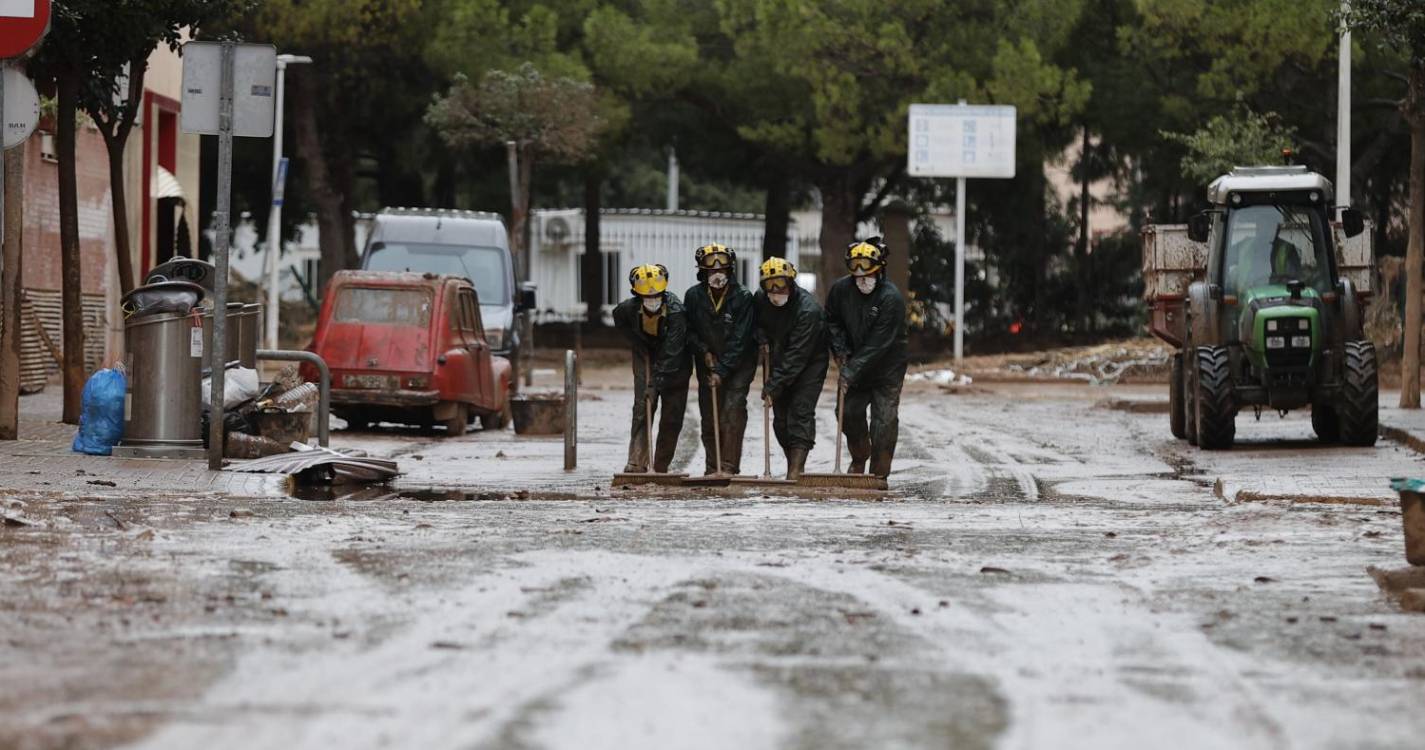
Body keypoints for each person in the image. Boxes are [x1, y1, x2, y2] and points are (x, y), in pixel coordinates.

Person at [825, 238, 909, 479]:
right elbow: (832, 321)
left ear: (879, 269)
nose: (862, 277)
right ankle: (860, 455)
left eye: (868, 270)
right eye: (856, 270)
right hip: (853, 363)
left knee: (884, 422)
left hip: (886, 368)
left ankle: (879, 474)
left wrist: (850, 371)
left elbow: (877, 345)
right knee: (848, 412)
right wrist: (840, 351)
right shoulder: (840, 290)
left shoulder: (890, 298)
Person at [684, 243, 757, 475]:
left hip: (739, 364)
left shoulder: (743, 297)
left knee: (732, 410)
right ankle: (712, 467)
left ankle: (728, 467)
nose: (717, 275)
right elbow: (690, 331)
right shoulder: (693, 296)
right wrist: (704, 351)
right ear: (702, 272)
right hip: (708, 363)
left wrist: (722, 370)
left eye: (723, 270)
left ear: (730, 270)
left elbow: (740, 340)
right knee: (709, 416)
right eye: (712, 271)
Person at [753, 258, 828, 480]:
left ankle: (796, 470)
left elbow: (798, 355)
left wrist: (773, 385)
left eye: (781, 285)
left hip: (809, 363)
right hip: (779, 359)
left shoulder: (808, 310)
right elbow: (756, 324)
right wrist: (761, 337)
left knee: (800, 413)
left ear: (791, 283)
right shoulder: (761, 299)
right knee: (781, 420)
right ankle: (792, 465)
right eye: (770, 285)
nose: (776, 291)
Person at [613, 264, 692, 473]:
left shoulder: (677, 312)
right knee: (642, 407)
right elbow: (619, 322)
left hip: (676, 363)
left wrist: (655, 383)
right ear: (637, 295)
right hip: (645, 356)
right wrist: (639, 344)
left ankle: (660, 466)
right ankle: (637, 461)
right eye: (647, 296)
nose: (652, 299)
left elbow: (673, 352)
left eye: (657, 295)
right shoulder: (627, 309)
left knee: (672, 416)